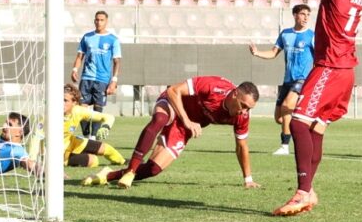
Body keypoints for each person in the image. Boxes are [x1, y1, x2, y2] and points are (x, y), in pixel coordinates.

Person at [273, 0, 362, 217]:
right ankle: (309, 191)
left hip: (329, 67)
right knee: (316, 127)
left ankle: (302, 191)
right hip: (347, 70)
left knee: (298, 122)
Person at [82, 77, 261, 190]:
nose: (244, 112)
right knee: (159, 120)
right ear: (235, 94)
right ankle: (131, 171)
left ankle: (108, 175)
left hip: (183, 129)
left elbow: (241, 146)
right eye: (243, 106)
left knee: (154, 169)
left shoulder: (241, 117)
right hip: (175, 105)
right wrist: (186, 120)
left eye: (249, 109)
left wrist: (248, 179)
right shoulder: (214, 86)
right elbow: (173, 90)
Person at [249, 4, 314, 156]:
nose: (306, 17)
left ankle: (284, 146)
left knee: (286, 107)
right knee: (279, 118)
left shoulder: (312, 36)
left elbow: (319, 59)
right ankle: (305, 126)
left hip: (302, 79)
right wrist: (257, 53)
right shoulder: (285, 34)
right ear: (295, 15)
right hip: (287, 81)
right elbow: (273, 53)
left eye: (308, 14)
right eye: (303, 14)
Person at [70, 10, 121, 137]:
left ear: (106, 21)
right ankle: (86, 135)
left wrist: (114, 80)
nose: (99, 22)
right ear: (94, 21)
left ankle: (93, 137)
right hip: (86, 78)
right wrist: (75, 69)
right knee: (82, 108)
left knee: (98, 109)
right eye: (97, 19)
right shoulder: (87, 37)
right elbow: (79, 56)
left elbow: (116, 61)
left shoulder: (113, 40)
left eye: (102, 20)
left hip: (102, 80)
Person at [62, 84, 125, 168]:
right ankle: (65, 161)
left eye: (65, 100)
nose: (61, 103)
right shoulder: (47, 115)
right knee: (93, 161)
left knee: (107, 149)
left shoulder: (77, 111)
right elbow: (39, 139)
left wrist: (105, 127)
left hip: (71, 142)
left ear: (74, 103)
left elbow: (109, 117)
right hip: (57, 153)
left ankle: (123, 162)